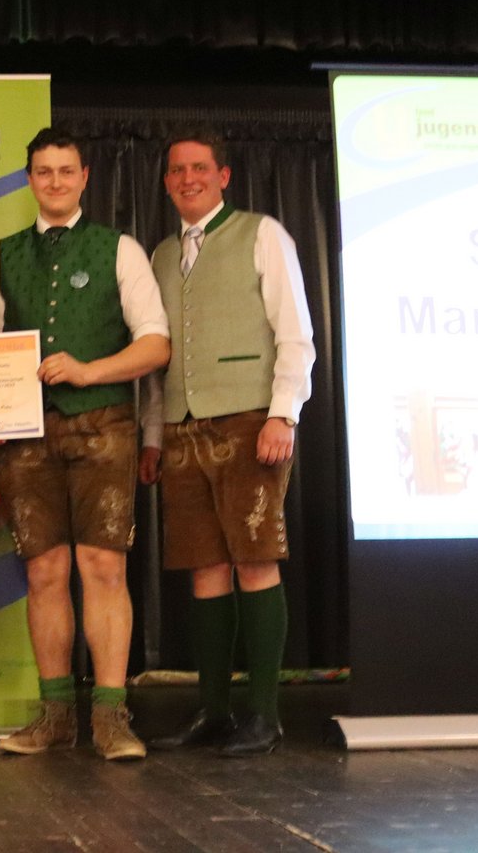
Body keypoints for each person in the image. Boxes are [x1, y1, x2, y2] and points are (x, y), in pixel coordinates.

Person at [0, 128, 171, 762]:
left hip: (104, 427)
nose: (55, 182)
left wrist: (89, 371)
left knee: (104, 569)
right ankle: (56, 715)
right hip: (25, 436)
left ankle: (111, 717)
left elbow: (156, 344)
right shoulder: (1, 255)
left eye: (66, 171)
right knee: (43, 573)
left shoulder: (121, 249)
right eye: (44, 172)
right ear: (29, 179)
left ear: (85, 177)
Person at [139, 134, 315, 757]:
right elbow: (156, 358)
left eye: (199, 168)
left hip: (249, 419)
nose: (187, 178)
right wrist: (152, 435)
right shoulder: (161, 254)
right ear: (166, 182)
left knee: (255, 559)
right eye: (176, 170)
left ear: (223, 176)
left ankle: (264, 715)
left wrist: (282, 414)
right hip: (182, 428)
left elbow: (295, 332)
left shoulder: (262, 233)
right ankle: (214, 713)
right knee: (205, 568)